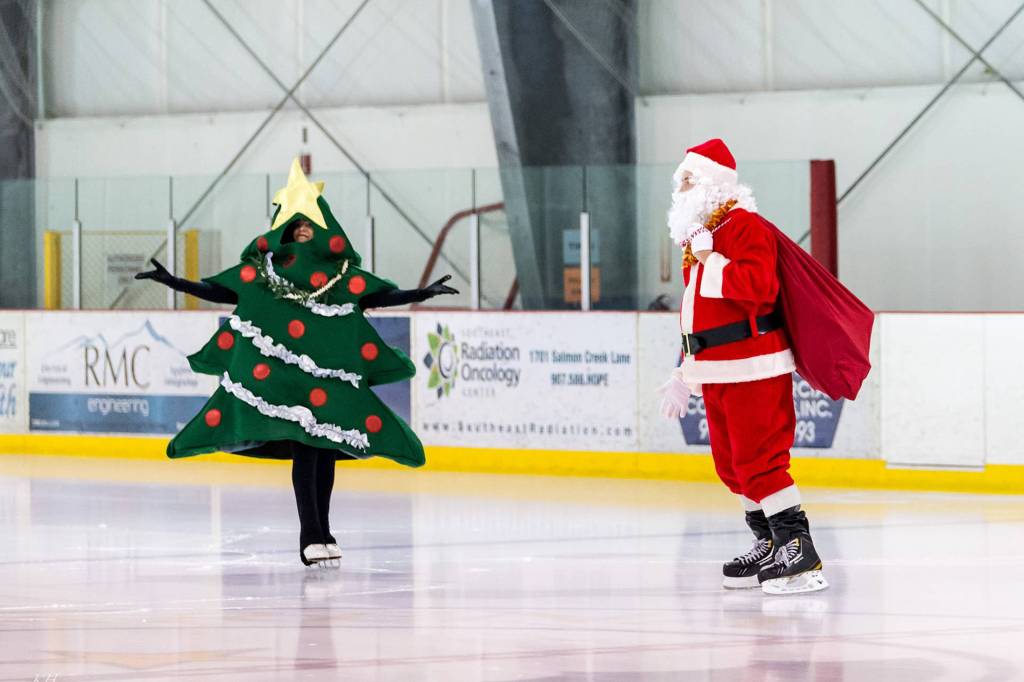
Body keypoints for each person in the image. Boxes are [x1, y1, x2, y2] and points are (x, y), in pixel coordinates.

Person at [137, 160, 457, 567]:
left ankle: (324, 532)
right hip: (287, 385)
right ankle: (310, 536)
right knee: (307, 450)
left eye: (310, 224)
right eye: (297, 224)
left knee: (325, 452)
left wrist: (420, 293)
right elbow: (221, 291)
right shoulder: (263, 272)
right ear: (283, 228)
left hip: (328, 378)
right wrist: (177, 283)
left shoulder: (338, 274)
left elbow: (371, 297)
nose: (304, 230)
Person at [659, 138, 827, 595]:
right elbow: (701, 316)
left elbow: (756, 288)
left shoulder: (744, 227)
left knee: (760, 461)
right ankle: (770, 540)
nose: (682, 187)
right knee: (732, 466)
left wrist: (712, 256)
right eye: (682, 180)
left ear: (715, 183)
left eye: (690, 178)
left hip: (753, 366)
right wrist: (685, 372)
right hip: (716, 368)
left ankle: (798, 547)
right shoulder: (701, 239)